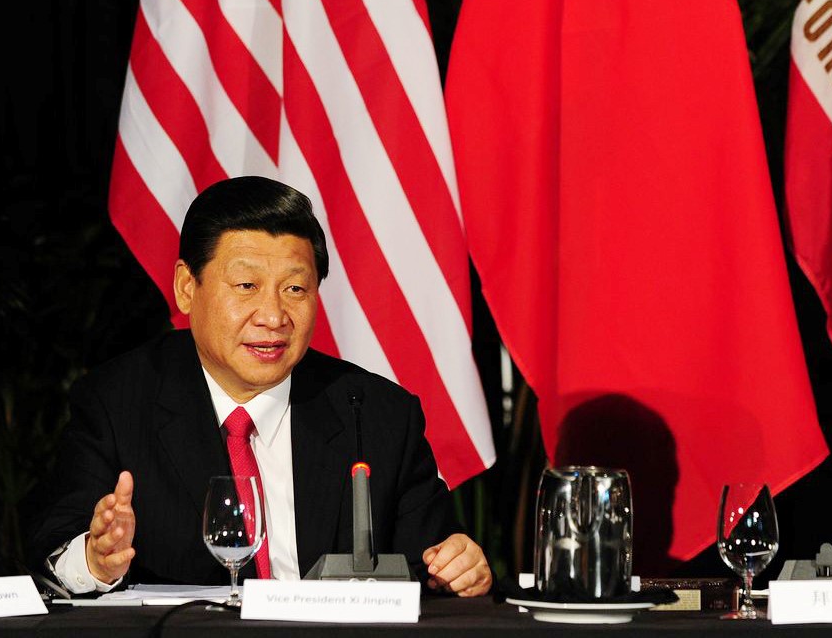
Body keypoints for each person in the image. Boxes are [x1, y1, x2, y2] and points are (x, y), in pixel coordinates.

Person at [29, 176, 491, 596]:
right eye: (247, 285)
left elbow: (431, 569)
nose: (273, 317)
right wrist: (95, 561)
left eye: (295, 289)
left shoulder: (377, 414)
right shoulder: (117, 403)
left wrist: (460, 571)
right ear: (187, 287)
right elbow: (55, 553)